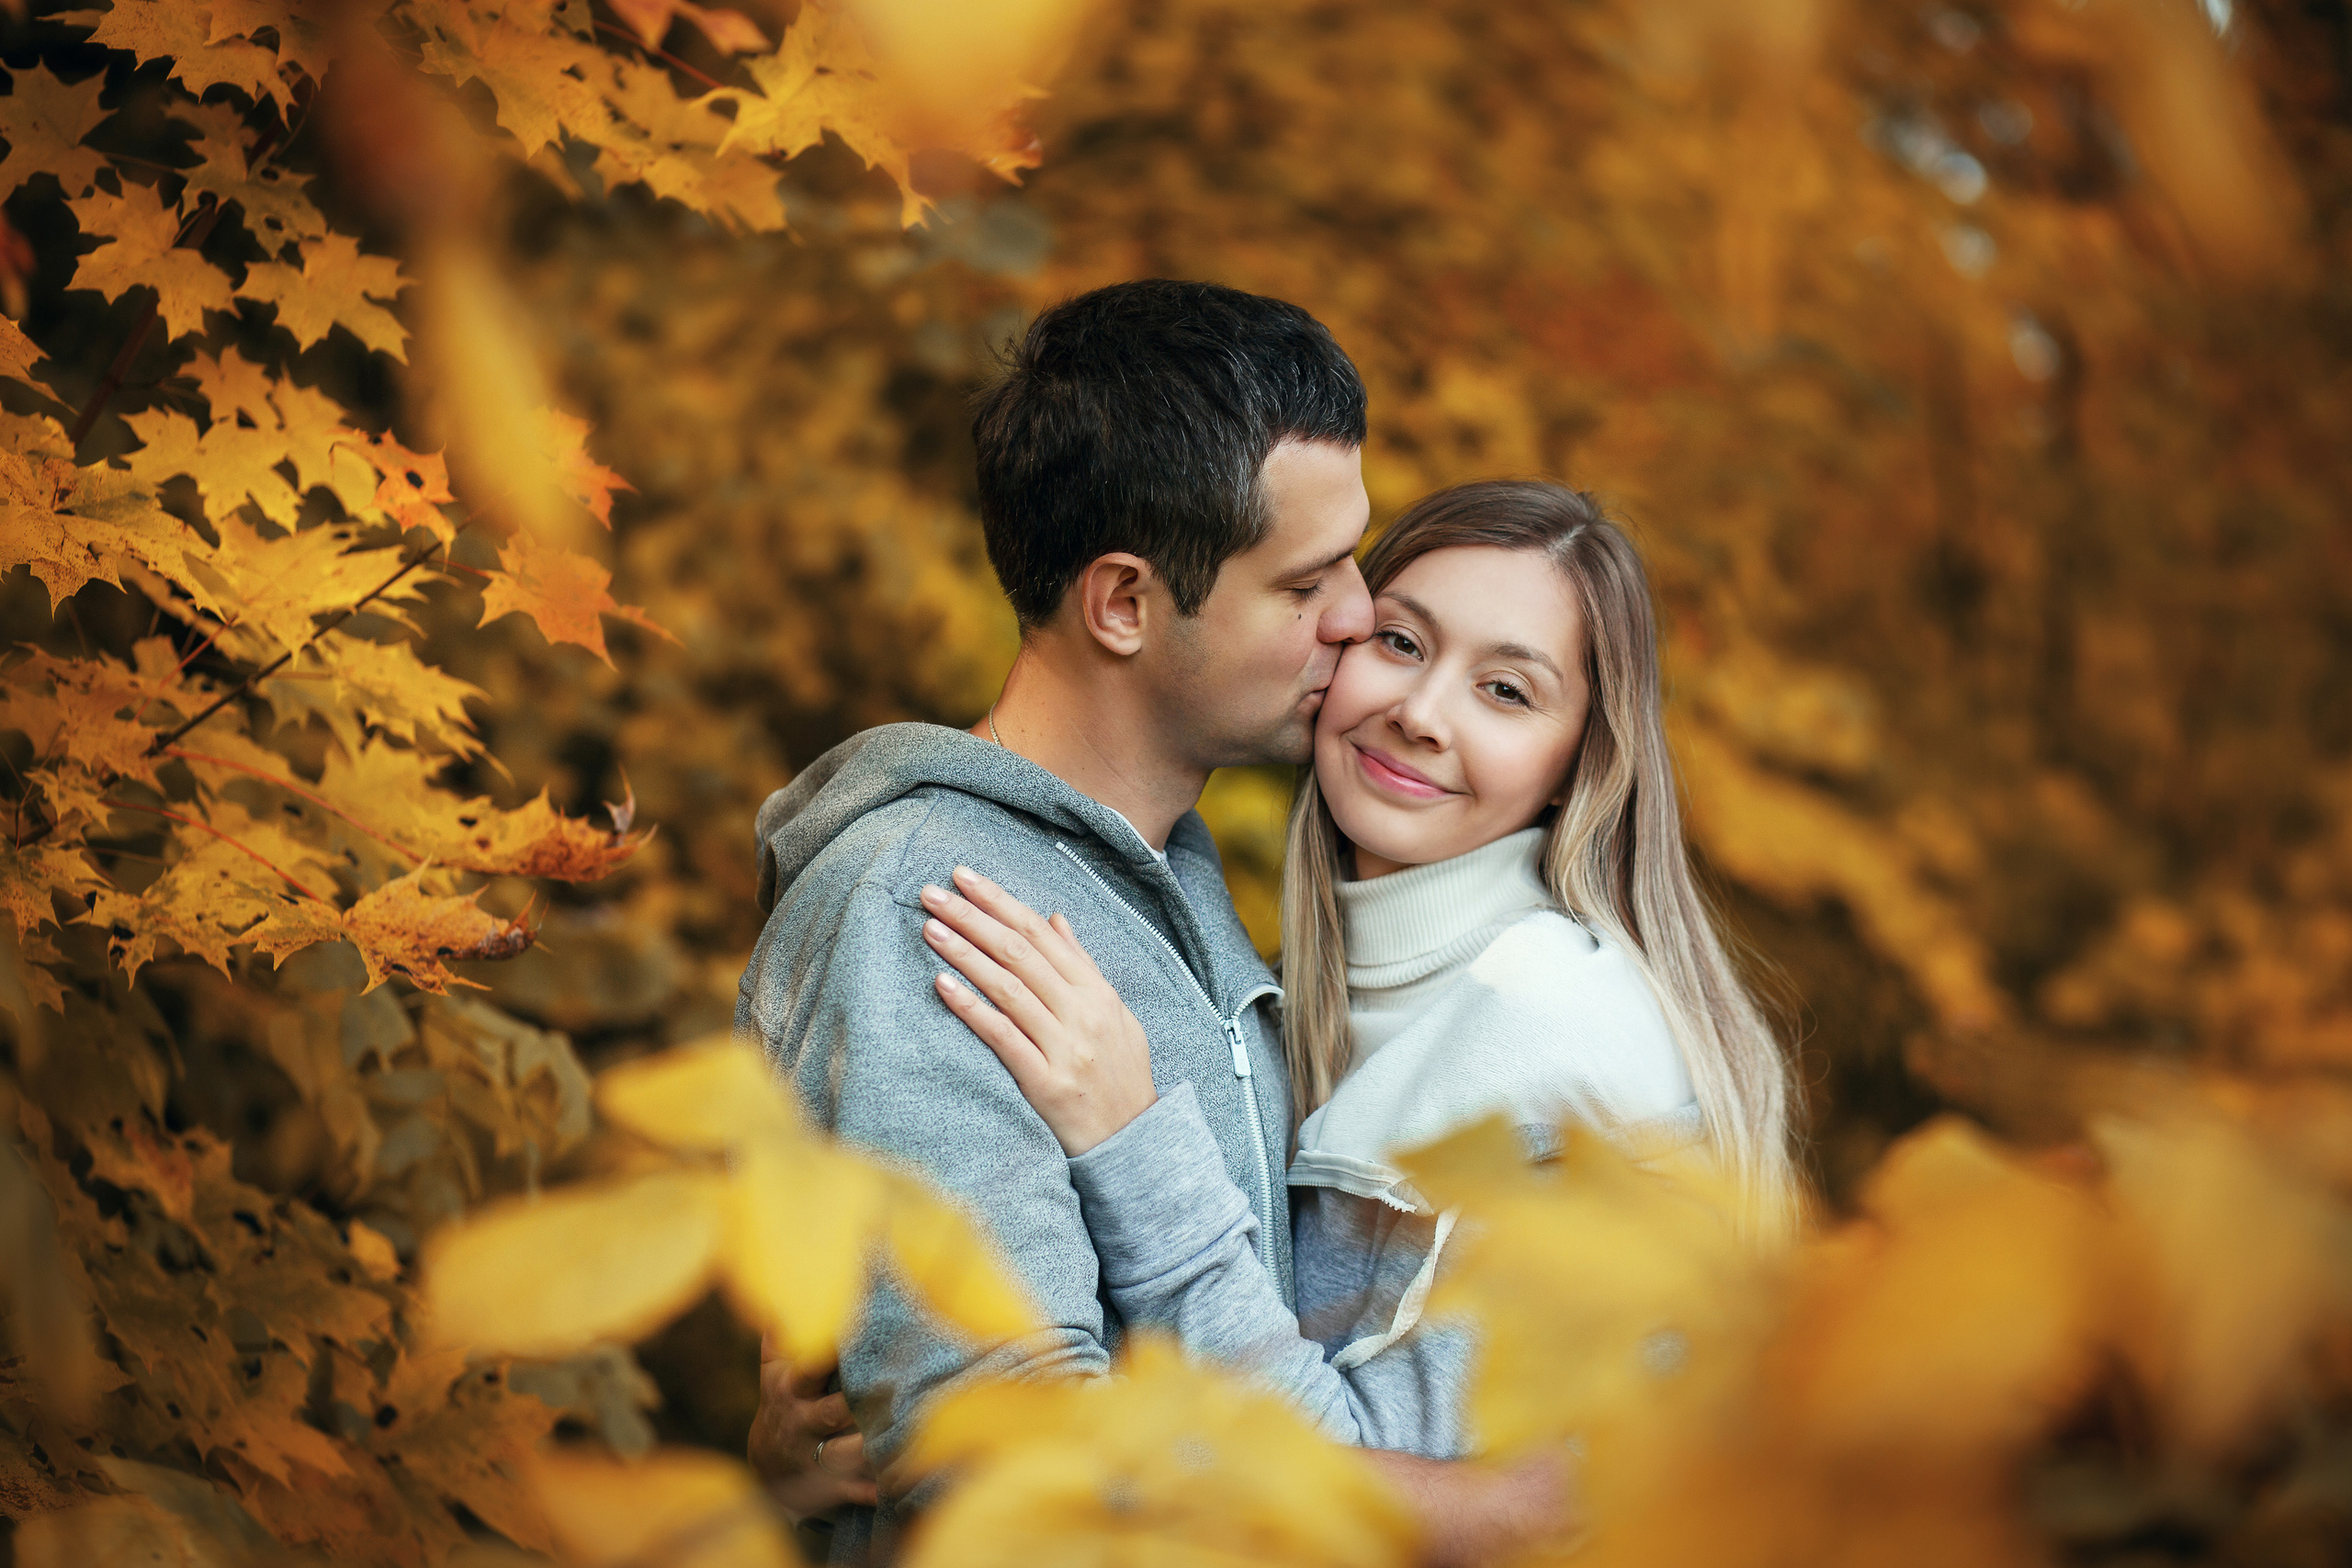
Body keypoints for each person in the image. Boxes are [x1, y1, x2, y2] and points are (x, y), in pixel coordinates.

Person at [737, 283, 1567, 1563]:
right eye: (1305, 580)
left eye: (1353, 555)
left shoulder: (1169, 885)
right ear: (1123, 602)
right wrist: (1481, 1516)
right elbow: (1004, 1476)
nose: (1358, 612)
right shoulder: (940, 909)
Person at [912, 479, 1801, 1458]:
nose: (1422, 712)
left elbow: (1345, 1494)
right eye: (1401, 643)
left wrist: (1134, 1141)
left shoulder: (1561, 1063)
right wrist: (839, 1451)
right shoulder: (1280, 999)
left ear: (1577, 770)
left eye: (1506, 691)